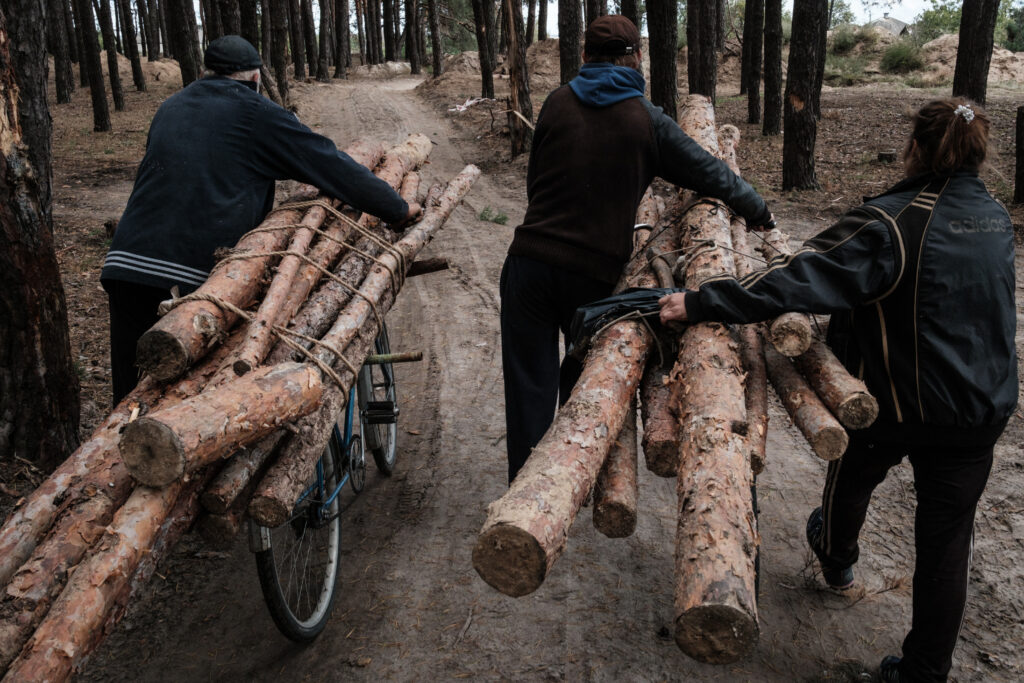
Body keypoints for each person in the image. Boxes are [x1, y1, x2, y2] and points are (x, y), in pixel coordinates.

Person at [659, 98, 1017, 683]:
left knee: (851, 470)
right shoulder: (996, 216)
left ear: (917, 148)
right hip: (983, 406)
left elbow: (799, 276)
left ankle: (836, 559)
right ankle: (924, 673)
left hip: (903, 402)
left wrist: (701, 299)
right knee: (947, 542)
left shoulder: (891, 222)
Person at [500, 15, 774, 484]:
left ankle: (523, 496)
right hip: (592, 275)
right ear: (637, 58)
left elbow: (536, 185)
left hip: (528, 262)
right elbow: (711, 173)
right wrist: (758, 209)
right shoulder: (646, 118)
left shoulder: (555, 103)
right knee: (584, 378)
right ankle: (571, 477)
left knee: (528, 386)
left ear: (585, 56)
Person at [101, 35, 420, 405]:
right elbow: (330, 165)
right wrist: (396, 208)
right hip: (193, 275)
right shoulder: (256, 113)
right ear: (254, 79)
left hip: (125, 263)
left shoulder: (170, 106)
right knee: (192, 392)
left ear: (206, 73)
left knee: (128, 398)